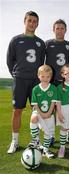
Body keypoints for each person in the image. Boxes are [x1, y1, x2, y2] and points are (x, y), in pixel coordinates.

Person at [6, 11, 45, 154]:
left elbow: (42, 63)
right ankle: (14, 142)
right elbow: (10, 61)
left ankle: (36, 141)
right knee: (17, 111)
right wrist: (17, 74)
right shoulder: (15, 40)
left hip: (36, 80)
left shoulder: (40, 43)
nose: (32, 23)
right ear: (25, 21)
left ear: (37, 24)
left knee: (37, 111)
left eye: (35, 21)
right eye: (30, 20)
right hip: (20, 79)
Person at [45, 19, 69, 145]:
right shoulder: (47, 43)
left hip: (65, 81)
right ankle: (51, 135)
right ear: (53, 30)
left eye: (62, 28)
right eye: (57, 28)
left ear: (66, 30)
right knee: (52, 108)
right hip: (51, 81)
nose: (59, 31)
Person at [28, 65, 57, 158]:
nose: (45, 78)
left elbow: (53, 103)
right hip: (38, 111)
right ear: (38, 76)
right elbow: (35, 104)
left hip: (49, 113)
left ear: (51, 77)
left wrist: (48, 113)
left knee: (48, 133)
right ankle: (35, 140)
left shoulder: (53, 88)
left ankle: (45, 149)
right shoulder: (35, 89)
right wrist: (41, 114)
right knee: (33, 118)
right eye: (43, 76)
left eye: (48, 76)